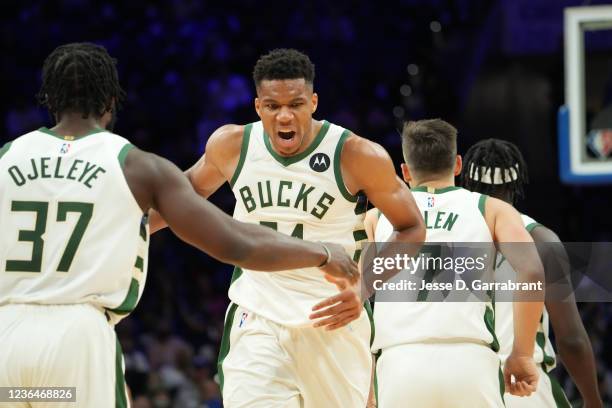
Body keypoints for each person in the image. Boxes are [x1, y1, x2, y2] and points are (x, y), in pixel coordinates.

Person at [0, 43, 358, 408]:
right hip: (74, 339)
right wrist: (322, 252)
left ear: (49, 97)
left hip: (6, 337)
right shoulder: (135, 166)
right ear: (111, 100)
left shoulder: (6, 157)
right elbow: (236, 243)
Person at [150, 48, 425, 407]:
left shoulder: (357, 155)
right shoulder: (232, 145)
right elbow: (178, 203)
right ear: (257, 106)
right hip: (258, 317)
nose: (284, 116)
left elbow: (412, 228)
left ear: (313, 102)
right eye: (273, 105)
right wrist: (124, 230)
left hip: (333, 320)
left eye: (295, 104)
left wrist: (364, 286)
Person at [364, 119, 545, 407]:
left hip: (400, 363)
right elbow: (532, 271)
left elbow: (360, 296)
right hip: (470, 362)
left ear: (406, 171)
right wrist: (522, 355)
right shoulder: (492, 209)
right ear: (458, 165)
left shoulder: (376, 217)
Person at [461, 138, 602, 408]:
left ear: (466, 181)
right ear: (516, 185)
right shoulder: (541, 240)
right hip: (523, 386)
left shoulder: (446, 234)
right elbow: (571, 338)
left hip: (464, 381)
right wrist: (592, 401)